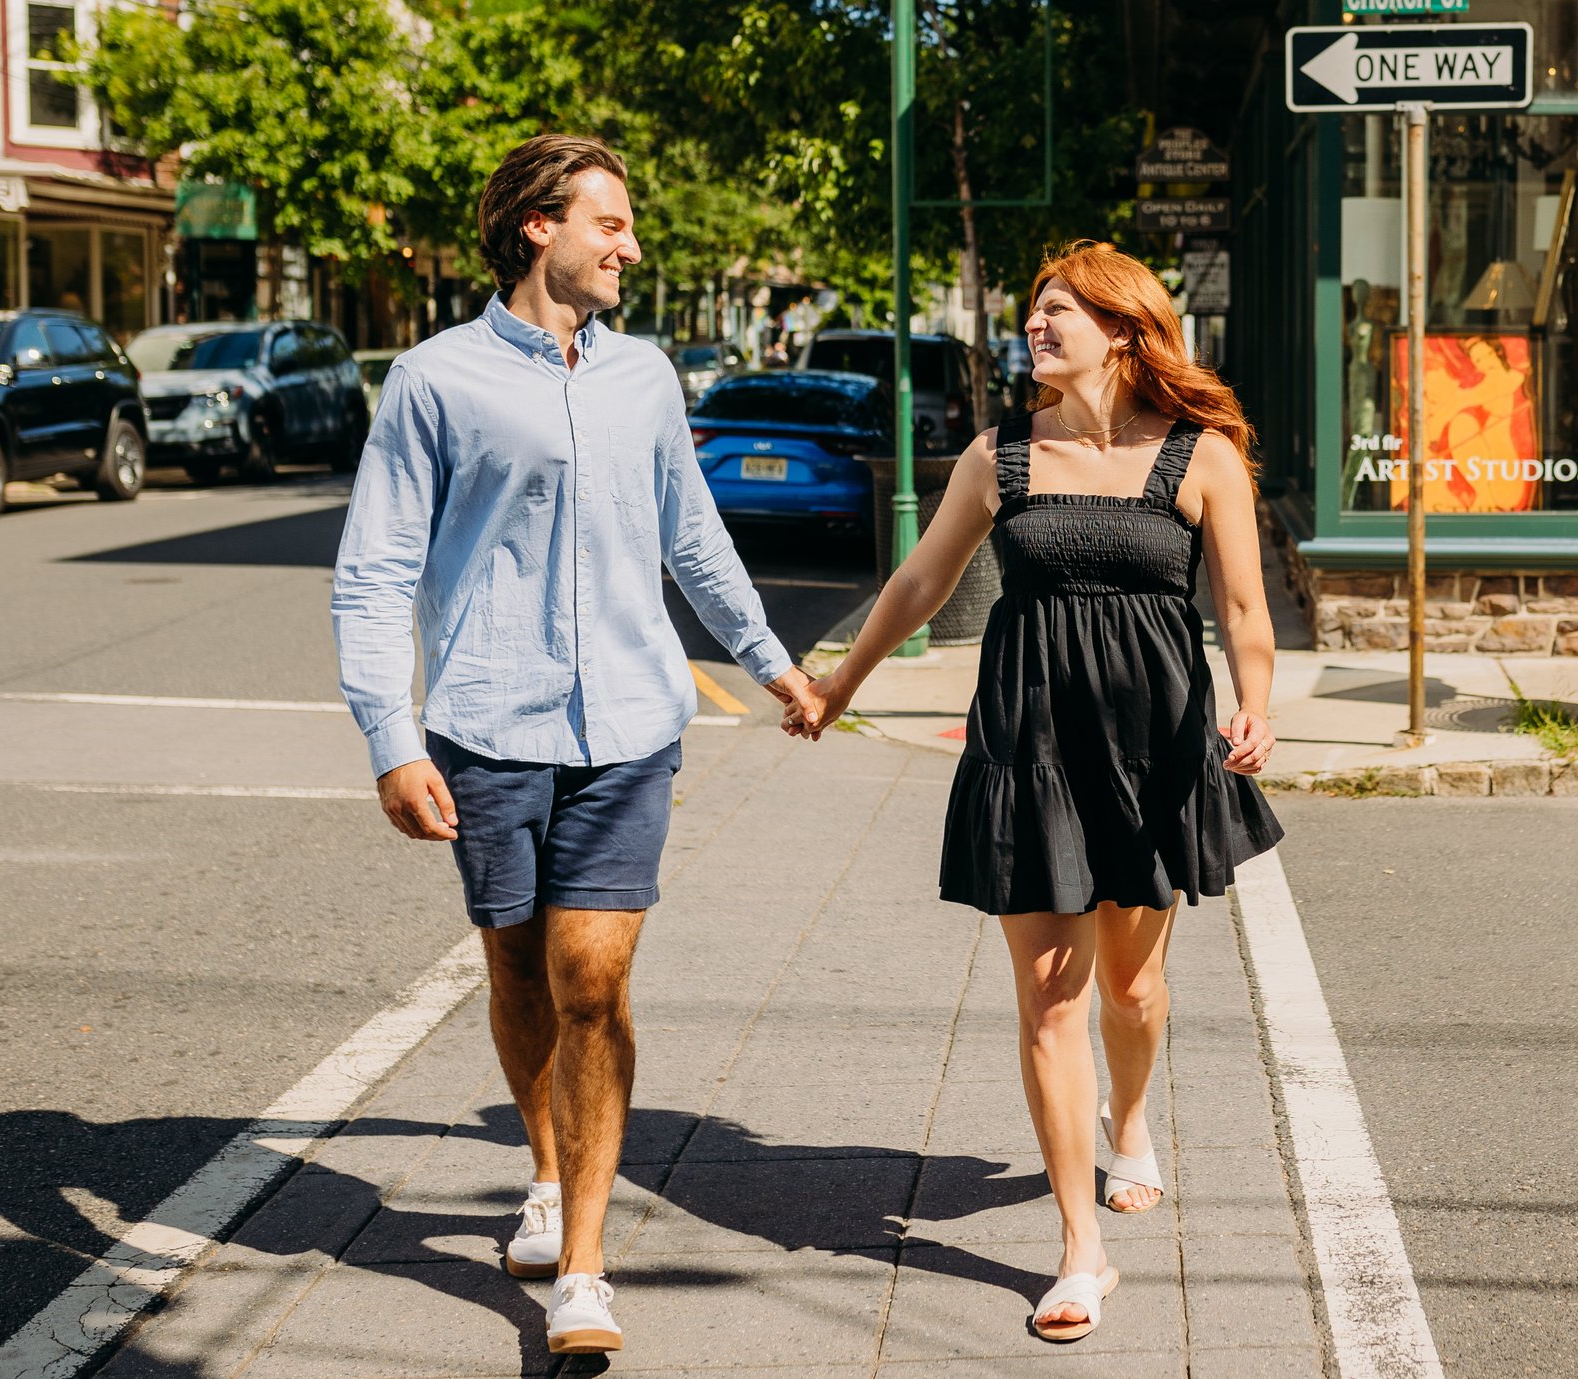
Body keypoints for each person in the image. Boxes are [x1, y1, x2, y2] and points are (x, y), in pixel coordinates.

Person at [330, 134, 815, 1357]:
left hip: (634, 721)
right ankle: (546, 1175)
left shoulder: (644, 375)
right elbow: (376, 568)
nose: (630, 245)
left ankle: (584, 1267)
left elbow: (690, 531)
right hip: (488, 722)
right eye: (613, 221)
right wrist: (393, 736)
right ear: (538, 225)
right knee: (516, 971)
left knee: (590, 977)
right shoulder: (432, 379)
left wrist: (768, 659)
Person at [789, 240, 1281, 1345]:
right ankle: (1078, 1246)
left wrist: (1255, 704)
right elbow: (922, 581)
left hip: (1152, 748)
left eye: (1058, 309)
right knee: (1049, 996)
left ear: (1123, 328)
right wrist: (839, 682)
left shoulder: (1201, 457)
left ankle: (1132, 1115)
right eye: (1032, 310)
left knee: (1131, 991)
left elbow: (1245, 612)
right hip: (1030, 743)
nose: (1034, 325)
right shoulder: (998, 456)